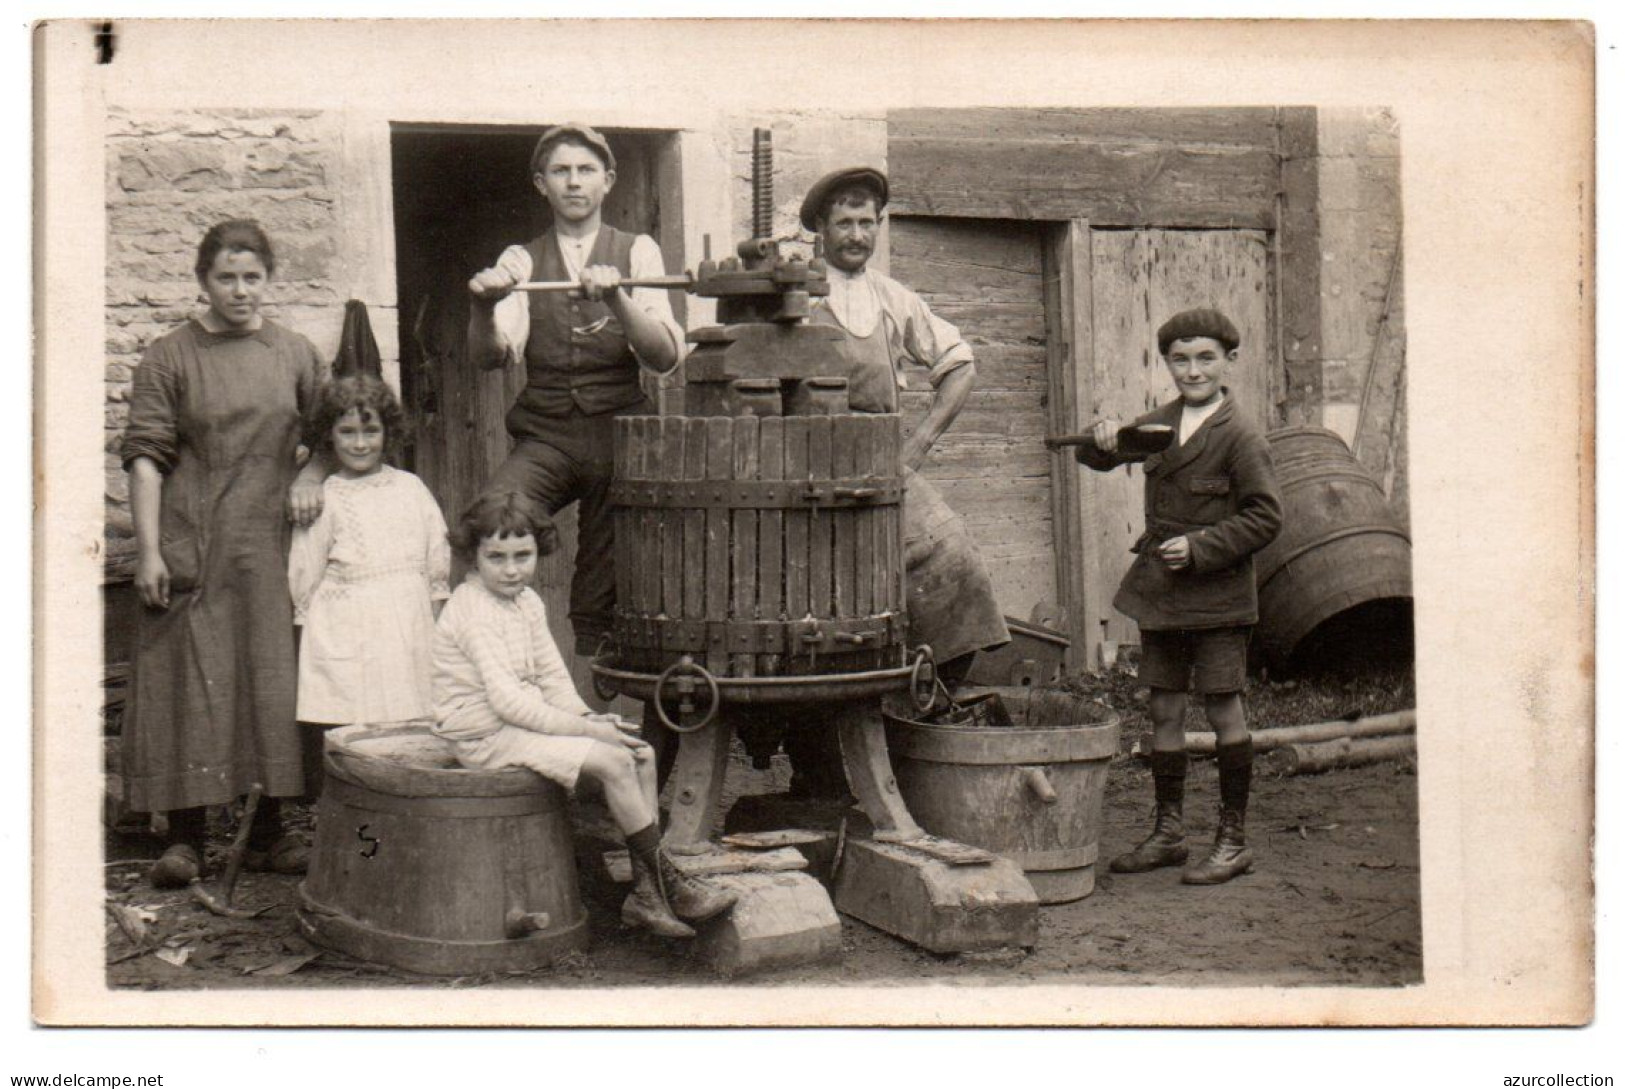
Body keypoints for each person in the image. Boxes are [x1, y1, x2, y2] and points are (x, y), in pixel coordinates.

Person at [769, 167, 1010, 797]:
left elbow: (960, 366)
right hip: (799, 477)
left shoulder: (893, 299)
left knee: (960, 577)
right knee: (811, 617)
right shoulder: (790, 295)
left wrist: (919, 444)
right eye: (843, 221)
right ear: (819, 229)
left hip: (881, 469)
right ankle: (815, 766)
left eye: (867, 222)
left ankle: (907, 729)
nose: (856, 234)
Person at [121, 219, 325, 886]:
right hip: (193, 540)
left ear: (269, 279)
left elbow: (333, 431)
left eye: (252, 277)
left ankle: (268, 831)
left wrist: (312, 473)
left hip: (266, 542)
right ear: (202, 281)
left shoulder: (293, 352)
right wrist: (149, 550)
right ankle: (182, 837)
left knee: (266, 677)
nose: (240, 290)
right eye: (226, 278)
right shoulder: (169, 356)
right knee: (188, 679)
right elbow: (146, 459)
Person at [431, 492, 736, 937]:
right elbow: (508, 703)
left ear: (539, 551)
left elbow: (553, 681)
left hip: (517, 724)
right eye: (496, 557)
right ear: (473, 557)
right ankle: (671, 885)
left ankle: (647, 897)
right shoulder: (473, 608)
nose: (512, 569)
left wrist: (590, 719)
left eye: (523, 555)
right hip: (483, 734)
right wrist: (583, 731)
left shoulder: (527, 603)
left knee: (641, 752)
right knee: (613, 760)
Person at [1076, 308, 1284, 885]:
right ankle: (1170, 834)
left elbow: (1266, 517)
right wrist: (1099, 442)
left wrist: (1200, 549)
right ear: (1166, 363)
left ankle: (1233, 839)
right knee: (1163, 706)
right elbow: (1106, 455)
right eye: (1181, 359)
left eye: (1205, 358)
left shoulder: (1241, 436)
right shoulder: (1162, 423)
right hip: (1164, 595)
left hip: (1217, 596)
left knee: (1221, 707)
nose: (1192, 371)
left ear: (1229, 363)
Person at [465, 123, 685, 657]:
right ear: (541, 183)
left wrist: (618, 300)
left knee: (608, 572)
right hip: (549, 434)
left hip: (621, 432)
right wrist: (483, 305)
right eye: (560, 171)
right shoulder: (520, 259)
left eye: (586, 170)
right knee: (495, 514)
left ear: (607, 181)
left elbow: (665, 357)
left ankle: (597, 666)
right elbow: (489, 357)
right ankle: (498, 644)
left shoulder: (638, 252)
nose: (573, 182)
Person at [289, 374, 451, 790]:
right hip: (347, 628)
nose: (359, 444)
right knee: (354, 730)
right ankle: (356, 817)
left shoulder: (410, 488)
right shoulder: (327, 496)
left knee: (407, 723)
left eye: (370, 431)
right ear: (330, 435)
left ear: (389, 432)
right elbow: (304, 574)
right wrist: (311, 636)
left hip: (407, 625)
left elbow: (436, 559)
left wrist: (435, 623)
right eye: (347, 432)